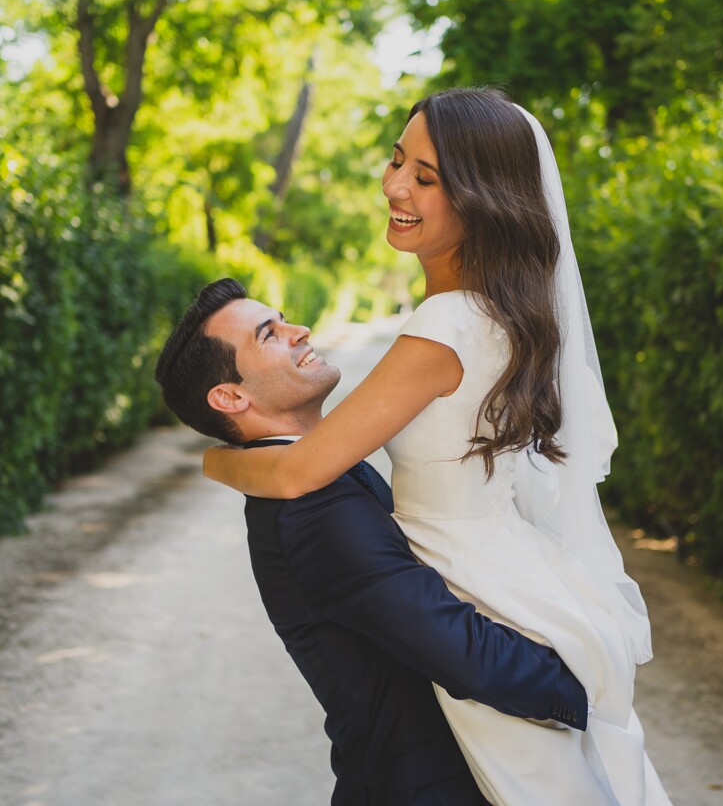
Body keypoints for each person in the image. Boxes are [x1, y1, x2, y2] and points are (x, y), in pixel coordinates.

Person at [203, 88, 673, 805]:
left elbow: (299, 469)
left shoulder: (445, 326)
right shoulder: (498, 310)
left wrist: (214, 460)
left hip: (468, 569)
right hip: (497, 556)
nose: (395, 186)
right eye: (397, 161)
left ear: (483, 199)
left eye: (426, 178)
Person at [154, 276, 592, 806]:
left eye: (283, 319)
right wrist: (585, 687)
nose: (300, 330)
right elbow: (455, 645)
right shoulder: (310, 512)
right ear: (230, 396)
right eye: (269, 334)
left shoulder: (310, 473)